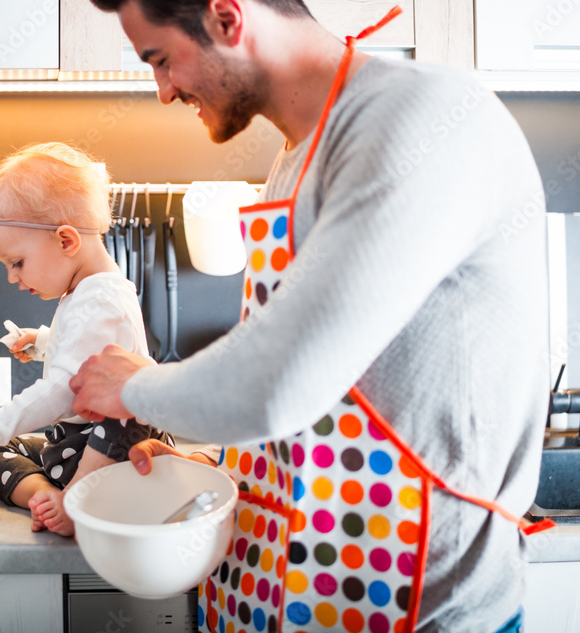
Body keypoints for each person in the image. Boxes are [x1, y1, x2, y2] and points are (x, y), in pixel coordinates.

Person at [70, 0, 549, 631]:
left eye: (160, 60)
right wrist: (219, 467)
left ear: (225, 16)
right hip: (309, 588)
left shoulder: (421, 118)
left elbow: (278, 384)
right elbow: (325, 391)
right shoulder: (294, 159)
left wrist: (133, 386)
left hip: (422, 605)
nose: (163, 91)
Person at [0, 142, 174, 537]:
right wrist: (46, 343)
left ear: (66, 241)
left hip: (112, 455)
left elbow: (62, 391)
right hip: (73, 447)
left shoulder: (99, 300)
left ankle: (78, 499)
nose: (13, 278)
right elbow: (88, 355)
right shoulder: (90, 292)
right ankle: (46, 495)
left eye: (17, 263)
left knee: (118, 413)